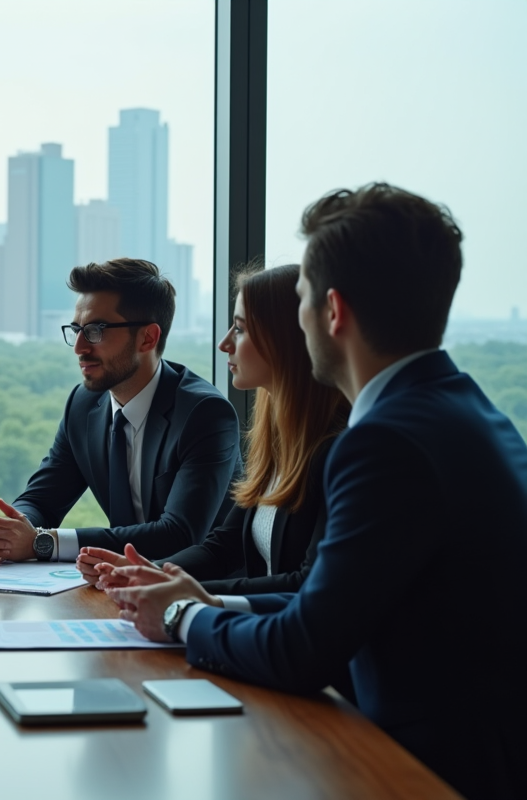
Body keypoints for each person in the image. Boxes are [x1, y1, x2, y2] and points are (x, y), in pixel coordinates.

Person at [112, 184, 527, 800]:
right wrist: (204, 603)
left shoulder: (383, 443)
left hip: (422, 773)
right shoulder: (467, 411)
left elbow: (306, 647)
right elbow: (328, 607)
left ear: (332, 312)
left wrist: (180, 616)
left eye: (301, 299)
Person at [84, 264, 349, 602]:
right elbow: (223, 546)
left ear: (287, 340)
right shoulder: (279, 442)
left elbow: (306, 585)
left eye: (239, 329)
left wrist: (190, 595)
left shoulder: (337, 449)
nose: (225, 344)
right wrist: (147, 574)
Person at [0, 258, 240, 564]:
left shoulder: (204, 413)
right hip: (118, 587)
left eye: (95, 331)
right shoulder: (84, 404)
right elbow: (42, 499)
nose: (78, 347)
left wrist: (43, 543)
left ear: (147, 338)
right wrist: (12, 526)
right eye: (76, 329)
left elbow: (179, 534)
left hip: (201, 592)